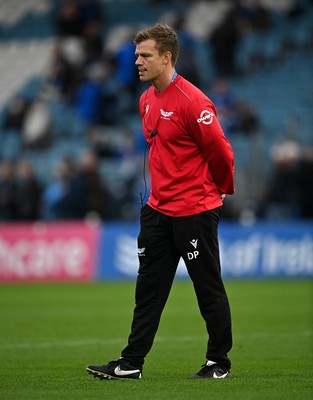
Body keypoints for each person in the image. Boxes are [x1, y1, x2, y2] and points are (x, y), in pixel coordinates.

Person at [86, 23, 235, 380]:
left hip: (194, 212)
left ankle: (219, 362)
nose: (136, 61)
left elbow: (221, 152)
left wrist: (221, 190)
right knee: (147, 292)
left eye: (145, 55)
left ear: (166, 58)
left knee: (207, 289)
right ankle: (131, 364)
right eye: (137, 55)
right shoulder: (146, 99)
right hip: (156, 210)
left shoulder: (194, 102)